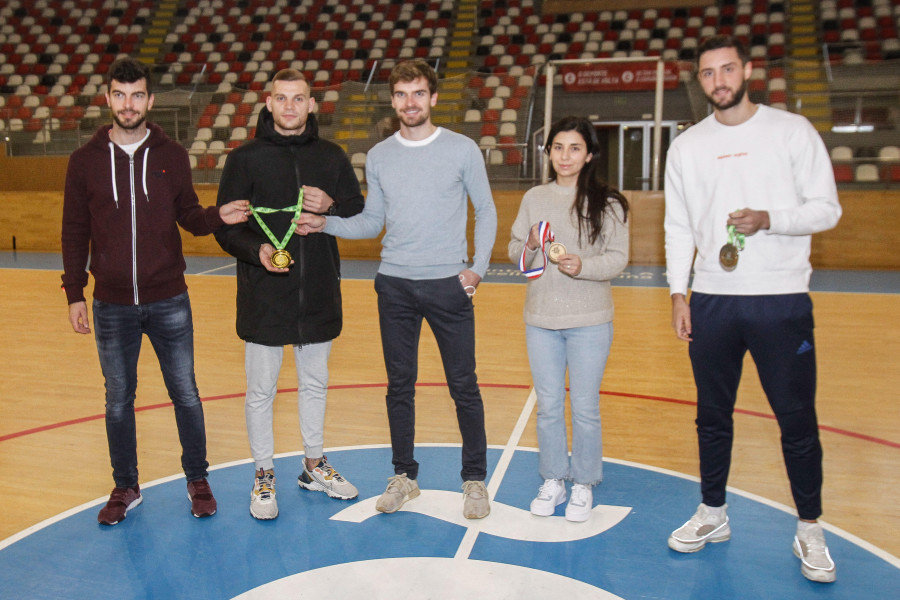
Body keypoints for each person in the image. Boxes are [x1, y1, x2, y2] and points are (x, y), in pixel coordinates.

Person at [663, 35, 842, 583]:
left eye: (728, 69)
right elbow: (676, 226)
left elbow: (827, 210)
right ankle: (713, 513)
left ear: (747, 70)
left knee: (796, 420)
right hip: (714, 301)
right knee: (712, 417)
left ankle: (809, 527)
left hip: (780, 300)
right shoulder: (687, 146)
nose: (719, 80)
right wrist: (678, 292)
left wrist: (770, 218)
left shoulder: (791, 131)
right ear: (700, 81)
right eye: (709, 73)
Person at [297, 60, 498, 519]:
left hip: (449, 285)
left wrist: (477, 269)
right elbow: (373, 221)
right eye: (403, 95)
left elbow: (485, 210)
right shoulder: (381, 155)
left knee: (463, 385)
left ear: (433, 97)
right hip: (395, 286)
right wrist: (326, 223)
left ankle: (474, 480)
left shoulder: (463, 149)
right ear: (393, 101)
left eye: (419, 93)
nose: (411, 103)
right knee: (399, 387)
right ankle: (404, 476)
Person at [61, 57, 250, 525]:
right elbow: (73, 230)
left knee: (185, 392)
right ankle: (125, 485)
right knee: (118, 398)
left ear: (149, 100)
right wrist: (74, 292)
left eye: (137, 95)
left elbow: (187, 214)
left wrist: (215, 217)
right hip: (111, 304)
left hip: (169, 299)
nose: (129, 104)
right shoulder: (83, 162)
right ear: (108, 99)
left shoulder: (171, 156)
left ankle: (197, 478)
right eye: (120, 96)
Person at [214, 69, 365, 520]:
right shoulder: (244, 158)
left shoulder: (333, 156)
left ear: (312, 104)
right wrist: (255, 250)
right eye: (282, 99)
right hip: (264, 293)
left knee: (315, 382)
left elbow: (358, 211)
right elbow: (226, 226)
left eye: (299, 99)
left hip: (318, 290)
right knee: (261, 390)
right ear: (268, 101)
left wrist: (331, 206)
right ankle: (263, 474)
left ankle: (314, 464)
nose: (290, 107)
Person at [508, 116, 629, 523]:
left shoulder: (608, 202)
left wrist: (584, 266)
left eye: (575, 148)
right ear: (548, 152)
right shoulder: (534, 198)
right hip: (541, 318)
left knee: (585, 406)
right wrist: (528, 247)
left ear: (590, 154)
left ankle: (583, 483)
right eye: (558, 147)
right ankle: (554, 478)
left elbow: (617, 258)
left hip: (590, 319)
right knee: (548, 406)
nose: (565, 155)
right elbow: (514, 248)